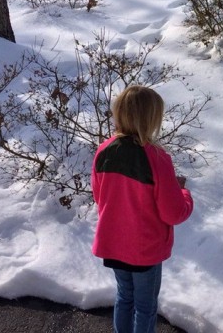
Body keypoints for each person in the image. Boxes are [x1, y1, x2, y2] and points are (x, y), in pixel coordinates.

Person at [91, 85, 193, 333]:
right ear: (151, 118)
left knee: (124, 297)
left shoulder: (104, 150)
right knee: (145, 306)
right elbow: (173, 212)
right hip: (144, 248)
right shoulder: (156, 158)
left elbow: (99, 195)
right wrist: (184, 193)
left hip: (113, 242)